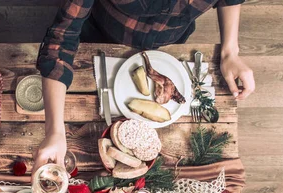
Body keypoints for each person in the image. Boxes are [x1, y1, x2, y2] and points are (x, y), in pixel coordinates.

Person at [33, 0, 255, 175]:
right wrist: (55, 131)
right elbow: (61, 39)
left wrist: (230, 51)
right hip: (101, 32)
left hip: (173, 38)